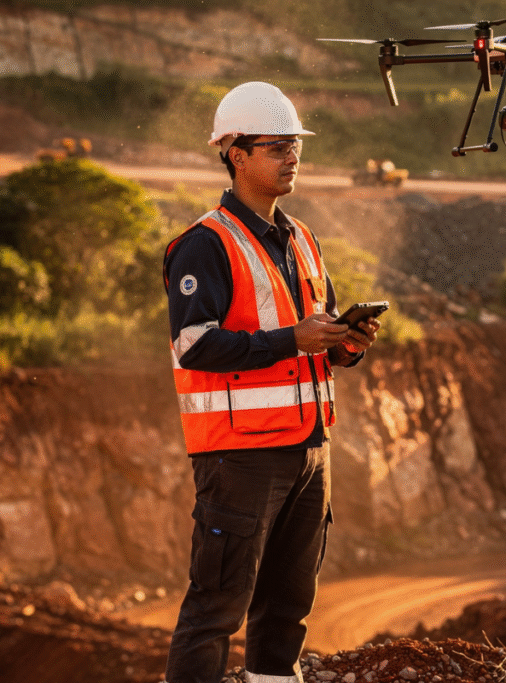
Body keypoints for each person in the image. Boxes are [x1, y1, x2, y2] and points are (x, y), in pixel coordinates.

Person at [162, 81, 381, 683]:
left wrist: (347, 345)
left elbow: (319, 335)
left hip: (309, 449)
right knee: (216, 609)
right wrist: (293, 340)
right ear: (235, 153)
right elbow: (193, 346)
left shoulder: (302, 239)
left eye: (295, 147)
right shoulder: (204, 245)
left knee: (287, 610)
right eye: (277, 147)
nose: (292, 158)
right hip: (241, 457)